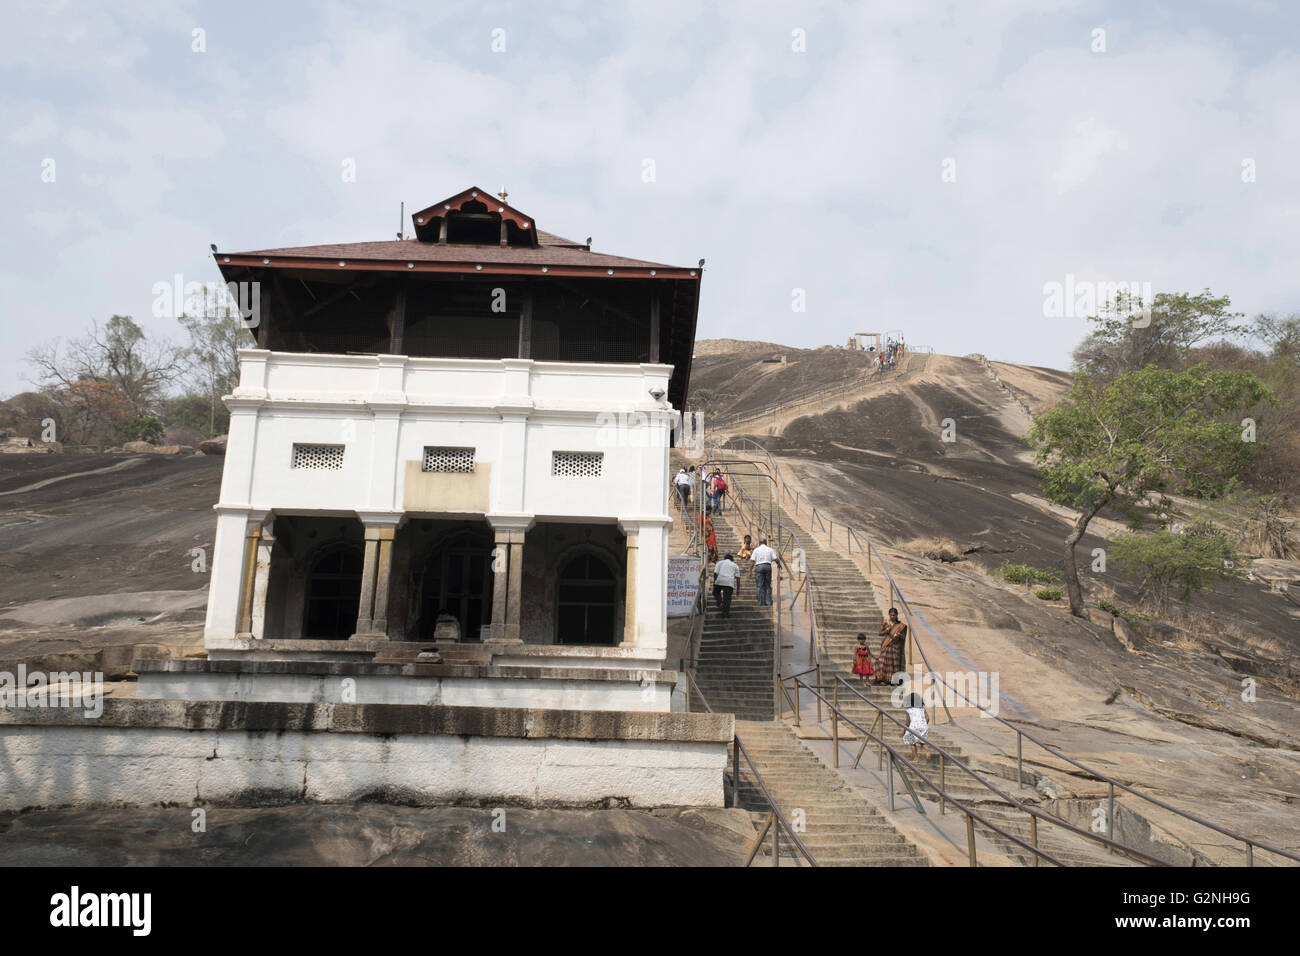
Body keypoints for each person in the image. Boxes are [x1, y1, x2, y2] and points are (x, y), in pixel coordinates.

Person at [874, 607, 907, 685]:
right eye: (891, 615)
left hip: (895, 647)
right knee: (882, 662)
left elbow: (903, 637)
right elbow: (880, 633)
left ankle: (893, 680)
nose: (892, 617)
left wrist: (899, 635)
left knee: (894, 664)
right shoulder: (885, 623)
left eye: (894, 615)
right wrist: (886, 631)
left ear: (896, 615)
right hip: (886, 645)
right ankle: (883, 679)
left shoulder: (900, 625)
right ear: (889, 615)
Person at [903, 692, 931, 760]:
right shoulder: (922, 709)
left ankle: (916, 758)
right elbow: (927, 718)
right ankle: (927, 750)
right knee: (922, 742)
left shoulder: (909, 710)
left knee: (912, 743)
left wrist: (904, 730)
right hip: (923, 727)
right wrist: (924, 725)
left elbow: (907, 722)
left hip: (914, 728)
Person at [750, 537, 776, 607]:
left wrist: (750, 571)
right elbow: (776, 559)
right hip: (767, 566)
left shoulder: (756, 550)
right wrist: (779, 564)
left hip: (759, 567)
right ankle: (768, 602)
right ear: (766, 543)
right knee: (767, 585)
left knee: (759, 586)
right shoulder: (770, 549)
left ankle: (760, 603)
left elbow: (752, 561)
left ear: (760, 543)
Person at [712, 553, 740, 618]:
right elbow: (738, 578)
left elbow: (715, 573)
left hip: (720, 580)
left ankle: (719, 602)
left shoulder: (720, 562)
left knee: (715, 592)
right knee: (727, 598)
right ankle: (725, 614)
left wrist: (715, 582)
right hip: (729, 582)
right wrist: (738, 589)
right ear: (732, 559)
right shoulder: (735, 565)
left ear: (724, 558)